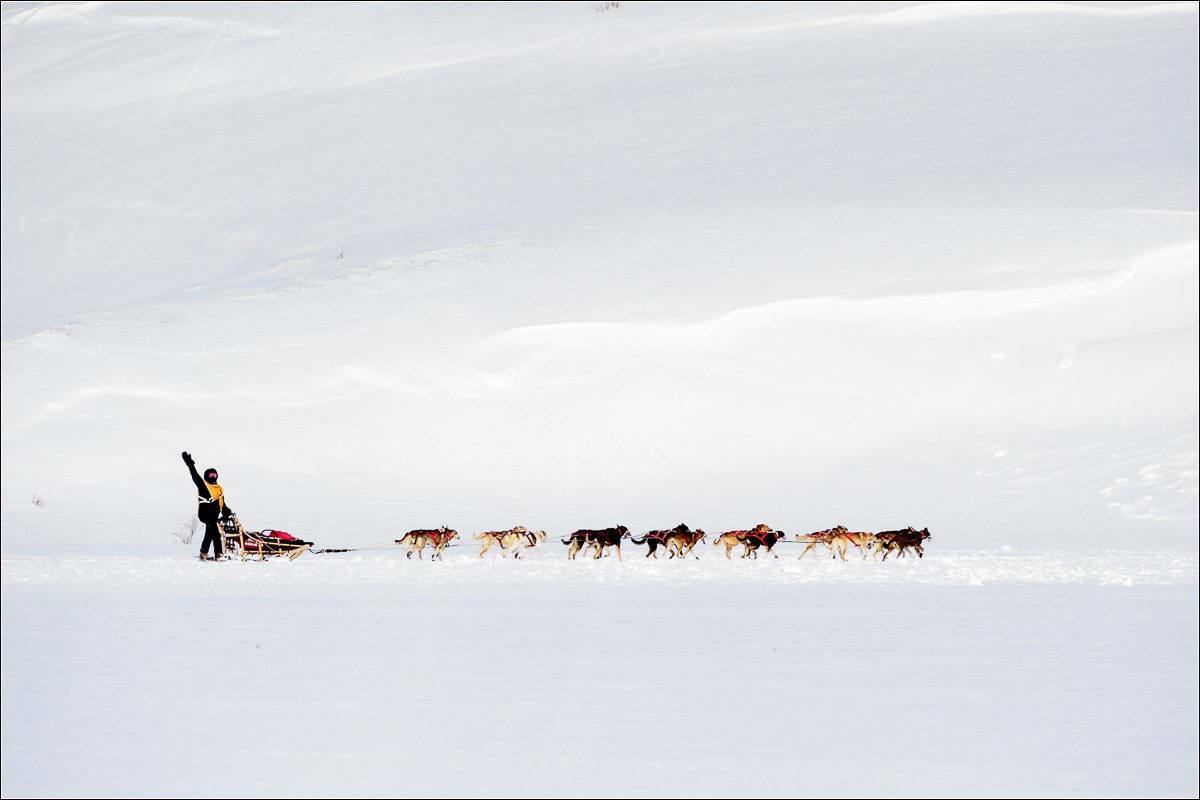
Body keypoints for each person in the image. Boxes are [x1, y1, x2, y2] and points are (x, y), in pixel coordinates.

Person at [181, 451, 234, 560]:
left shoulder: (218, 489)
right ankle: (218, 554)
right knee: (215, 534)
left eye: (215, 474)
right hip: (205, 514)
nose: (213, 476)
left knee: (210, 533)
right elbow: (195, 476)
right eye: (211, 475)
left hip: (213, 516)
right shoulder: (203, 485)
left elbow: (222, 504)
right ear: (206, 476)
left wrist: (227, 512)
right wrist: (190, 464)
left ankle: (204, 553)